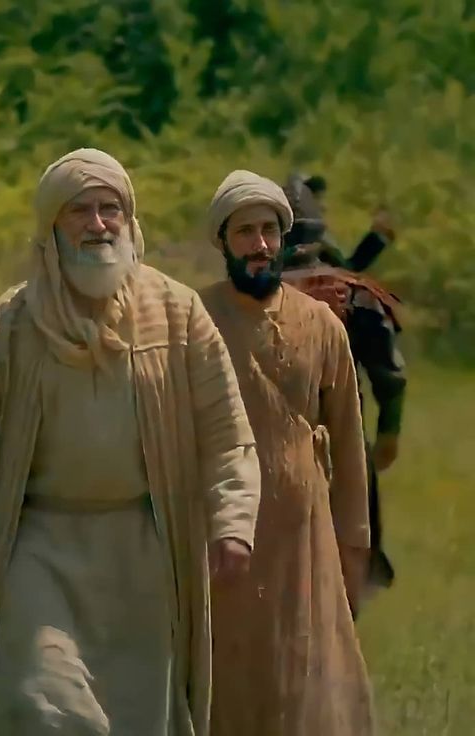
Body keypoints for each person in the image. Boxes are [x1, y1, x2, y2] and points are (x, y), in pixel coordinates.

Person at [0, 149, 262, 736]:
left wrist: (233, 521)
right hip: (42, 551)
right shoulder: (13, 323)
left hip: (144, 554)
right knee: (38, 705)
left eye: (111, 210)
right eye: (81, 210)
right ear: (52, 225)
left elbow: (227, 434)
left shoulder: (178, 314)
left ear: (130, 223)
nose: (98, 225)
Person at [199, 170, 374, 735]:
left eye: (269, 229)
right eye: (245, 231)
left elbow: (348, 442)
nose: (260, 244)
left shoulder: (322, 325)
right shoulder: (193, 321)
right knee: (229, 681)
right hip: (224, 542)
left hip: (305, 540)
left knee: (308, 683)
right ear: (223, 241)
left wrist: (354, 544)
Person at [281, 176, 406, 589]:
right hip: (333, 447)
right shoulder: (350, 292)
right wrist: (389, 430)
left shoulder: (240, 298)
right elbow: (390, 376)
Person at [288, 172, 396, 271]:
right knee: (349, 267)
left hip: (314, 248)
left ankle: (378, 236)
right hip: (309, 248)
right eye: (319, 198)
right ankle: (378, 237)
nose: (324, 206)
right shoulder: (302, 213)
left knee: (349, 266)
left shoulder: (300, 203)